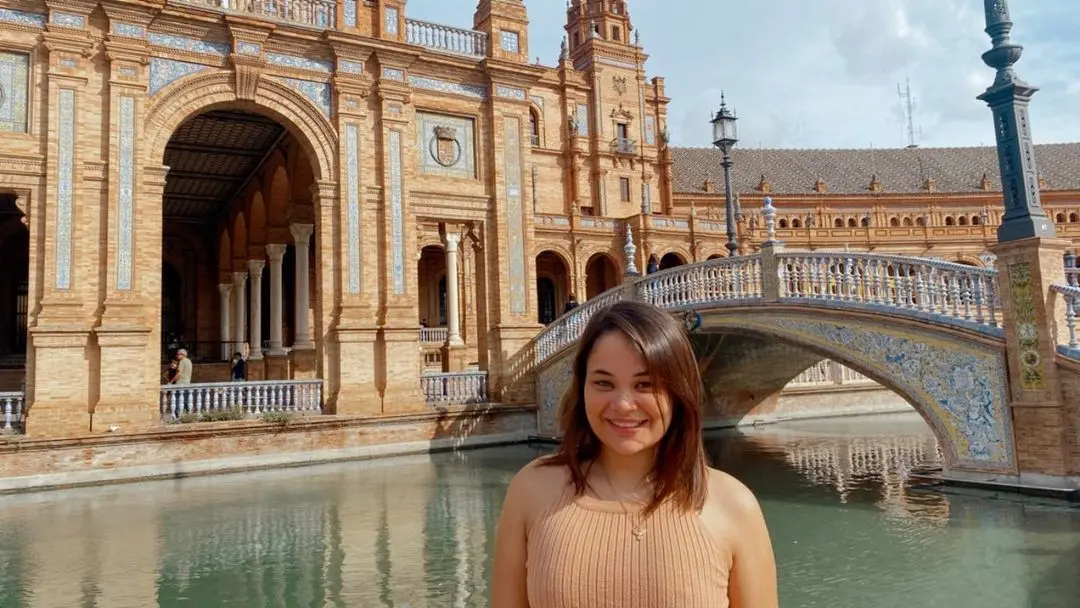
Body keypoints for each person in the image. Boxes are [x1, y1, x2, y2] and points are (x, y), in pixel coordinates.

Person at [491, 300, 777, 608]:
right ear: (582, 387)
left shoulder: (733, 506)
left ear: (678, 393)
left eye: (645, 384)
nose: (623, 405)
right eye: (604, 383)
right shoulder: (532, 491)